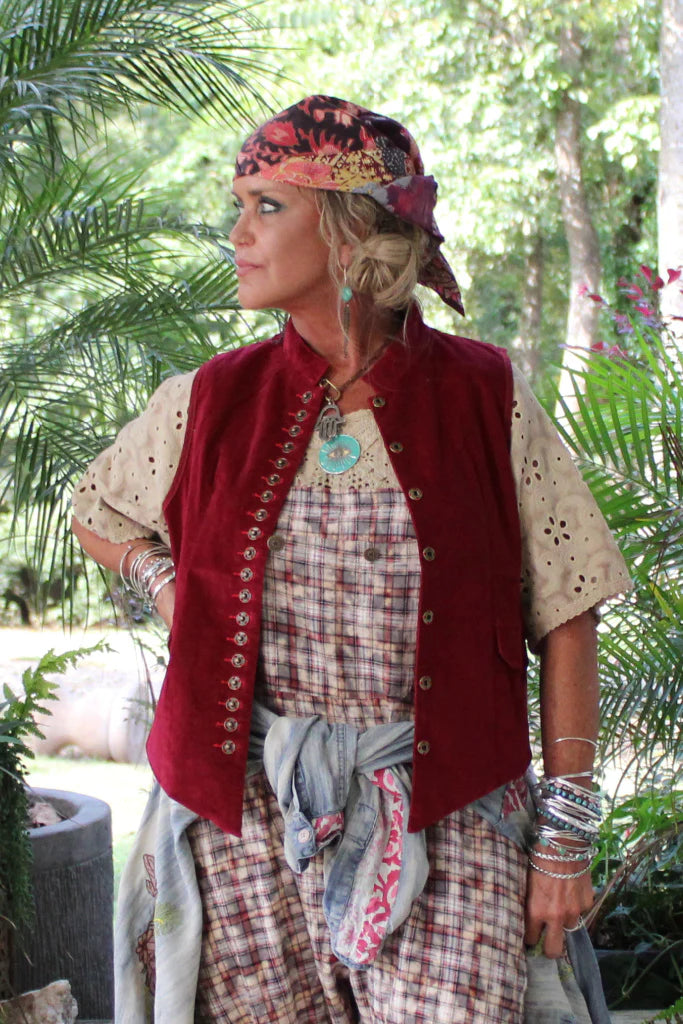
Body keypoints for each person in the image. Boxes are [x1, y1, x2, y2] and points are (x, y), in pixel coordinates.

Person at [72, 95, 632, 1024]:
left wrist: (565, 840)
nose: (237, 234)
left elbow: (568, 610)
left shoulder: (486, 398)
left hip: (447, 813)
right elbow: (97, 511)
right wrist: (171, 592)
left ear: (347, 229)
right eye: (239, 206)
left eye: (266, 206)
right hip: (243, 815)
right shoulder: (208, 399)